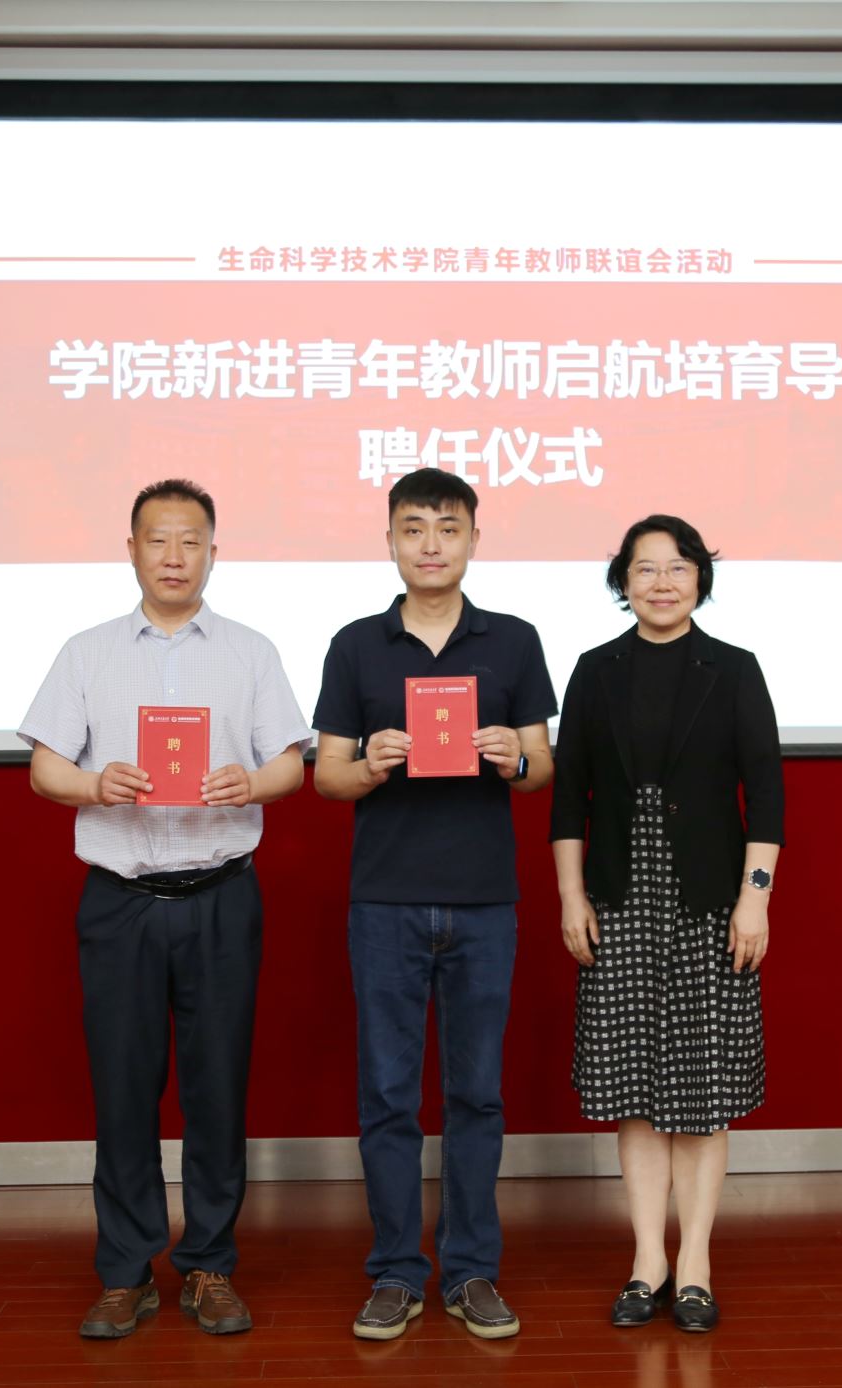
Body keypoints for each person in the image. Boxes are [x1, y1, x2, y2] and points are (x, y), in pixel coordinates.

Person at [21, 478, 311, 1341]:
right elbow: (44, 768)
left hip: (221, 895)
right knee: (122, 1089)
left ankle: (210, 1266)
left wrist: (250, 782)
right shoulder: (87, 652)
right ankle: (125, 1272)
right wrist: (93, 784)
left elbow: (291, 764)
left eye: (191, 541)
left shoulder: (250, 652)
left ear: (214, 552)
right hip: (121, 902)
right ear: (132, 551)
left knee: (217, 1089)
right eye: (159, 540)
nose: (175, 556)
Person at [312, 467, 557, 1342]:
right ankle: (394, 1272)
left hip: (485, 902)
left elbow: (542, 769)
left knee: (476, 1097)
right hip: (385, 901)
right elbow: (327, 777)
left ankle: (471, 1270)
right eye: (413, 528)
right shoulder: (356, 644)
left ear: (473, 541)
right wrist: (369, 764)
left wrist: (511, 758)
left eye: (448, 529)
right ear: (389, 540)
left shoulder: (514, 640)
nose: (430, 544)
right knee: (387, 1097)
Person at [548, 514, 784, 1334]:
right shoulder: (595, 670)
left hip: (710, 901)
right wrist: (571, 897)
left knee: (702, 1089)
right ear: (623, 581)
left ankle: (696, 1265)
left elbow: (767, 795)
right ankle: (647, 1259)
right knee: (636, 1090)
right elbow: (568, 798)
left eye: (678, 567)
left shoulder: (734, 669)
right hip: (618, 898)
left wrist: (755, 898)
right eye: (644, 569)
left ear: (699, 580)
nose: (661, 582)